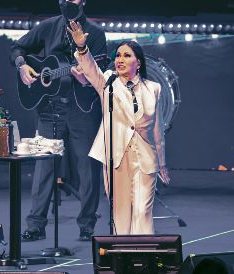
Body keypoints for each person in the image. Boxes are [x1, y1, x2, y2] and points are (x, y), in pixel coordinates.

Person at [10, 0, 107, 241]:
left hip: (82, 109)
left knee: (87, 169)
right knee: (44, 167)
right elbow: (17, 49)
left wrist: (83, 71)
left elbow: (100, 68)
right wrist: (22, 66)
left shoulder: (95, 34)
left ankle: (87, 225)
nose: (66, 3)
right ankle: (36, 225)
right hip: (48, 108)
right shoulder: (47, 27)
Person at [67, 20, 171, 234]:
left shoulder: (154, 89)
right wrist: (81, 47)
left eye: (126, 55)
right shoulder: (108, 82)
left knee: (143, 212)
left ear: (138, 62)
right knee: (120, 214)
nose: (120, 60)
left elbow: (157, 131)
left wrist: (162, 164)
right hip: (116, 159)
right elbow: (90, 69)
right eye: (118, 56)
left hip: (145, 159)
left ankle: (145, 259)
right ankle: (123, 259)